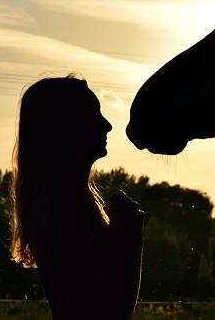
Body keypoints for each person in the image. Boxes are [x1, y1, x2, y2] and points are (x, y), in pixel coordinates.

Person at [9, 75, 144, 320]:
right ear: (64, 125)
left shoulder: (56, 203)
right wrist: (129, 236)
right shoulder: (63, 209)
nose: (107, 125)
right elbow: (114, 311)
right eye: (93, 114)